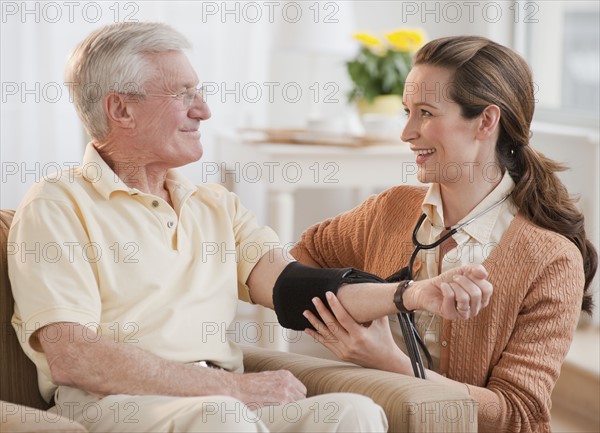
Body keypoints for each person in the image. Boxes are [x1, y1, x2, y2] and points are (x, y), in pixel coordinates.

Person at [7, 23, 494, 433]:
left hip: (218, 405)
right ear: (121, 109)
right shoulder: (58, 204)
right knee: (223, 418)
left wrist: (412, 294)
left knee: (354, 414)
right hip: (115, 405)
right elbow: (75, 356)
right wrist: (229, 388)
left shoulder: (213, 205)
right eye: (184, 95)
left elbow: (297, 289)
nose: (204, 110)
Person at [292, 35, 598, 433]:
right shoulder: (391, 209)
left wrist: (390, 362)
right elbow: (298, 262)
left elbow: (516, 415)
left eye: (425, 113)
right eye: (406, 111)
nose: (406, 132)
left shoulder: (551, 259)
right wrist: (367, 305)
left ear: (486, 121)